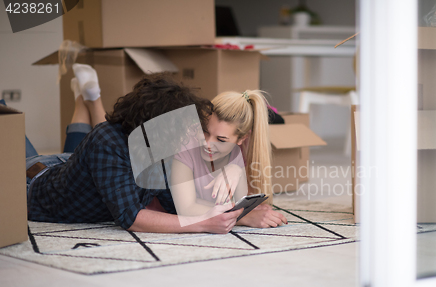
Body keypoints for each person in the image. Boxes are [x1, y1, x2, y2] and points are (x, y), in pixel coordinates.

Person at [26, 64, 243, 234]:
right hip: (32, 178)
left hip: (71, 166)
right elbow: (130, 218)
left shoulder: (165, 145)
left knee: (78, 159)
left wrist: (237, 214)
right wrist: (203, 223)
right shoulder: (107, 141)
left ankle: (84, 100)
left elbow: (176, 203)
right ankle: (87, 99)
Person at [169, 90, 288, 228]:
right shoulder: (186, 143)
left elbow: (240, 201)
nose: (208, 144)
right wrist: (243, 216)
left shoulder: (242, 148)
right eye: (205, 131)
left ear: (241, 139)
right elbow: (186, 208)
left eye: (220, 140)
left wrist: (236, 170)